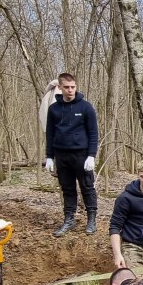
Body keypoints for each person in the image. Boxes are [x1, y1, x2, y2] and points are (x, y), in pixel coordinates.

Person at [45, 72, 99, 237]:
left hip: (81, 154)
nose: (70, 90)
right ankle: (69, 219)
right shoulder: (54, 109)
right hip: (62, 155)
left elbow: (93, 133)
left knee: (87, 187)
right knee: (68, 189)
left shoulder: (85, 107)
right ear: (60, 87)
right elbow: (50, 134)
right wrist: (49, 156)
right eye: (67, 87)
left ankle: (91, 219)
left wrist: (91, 155)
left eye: (73, 87)